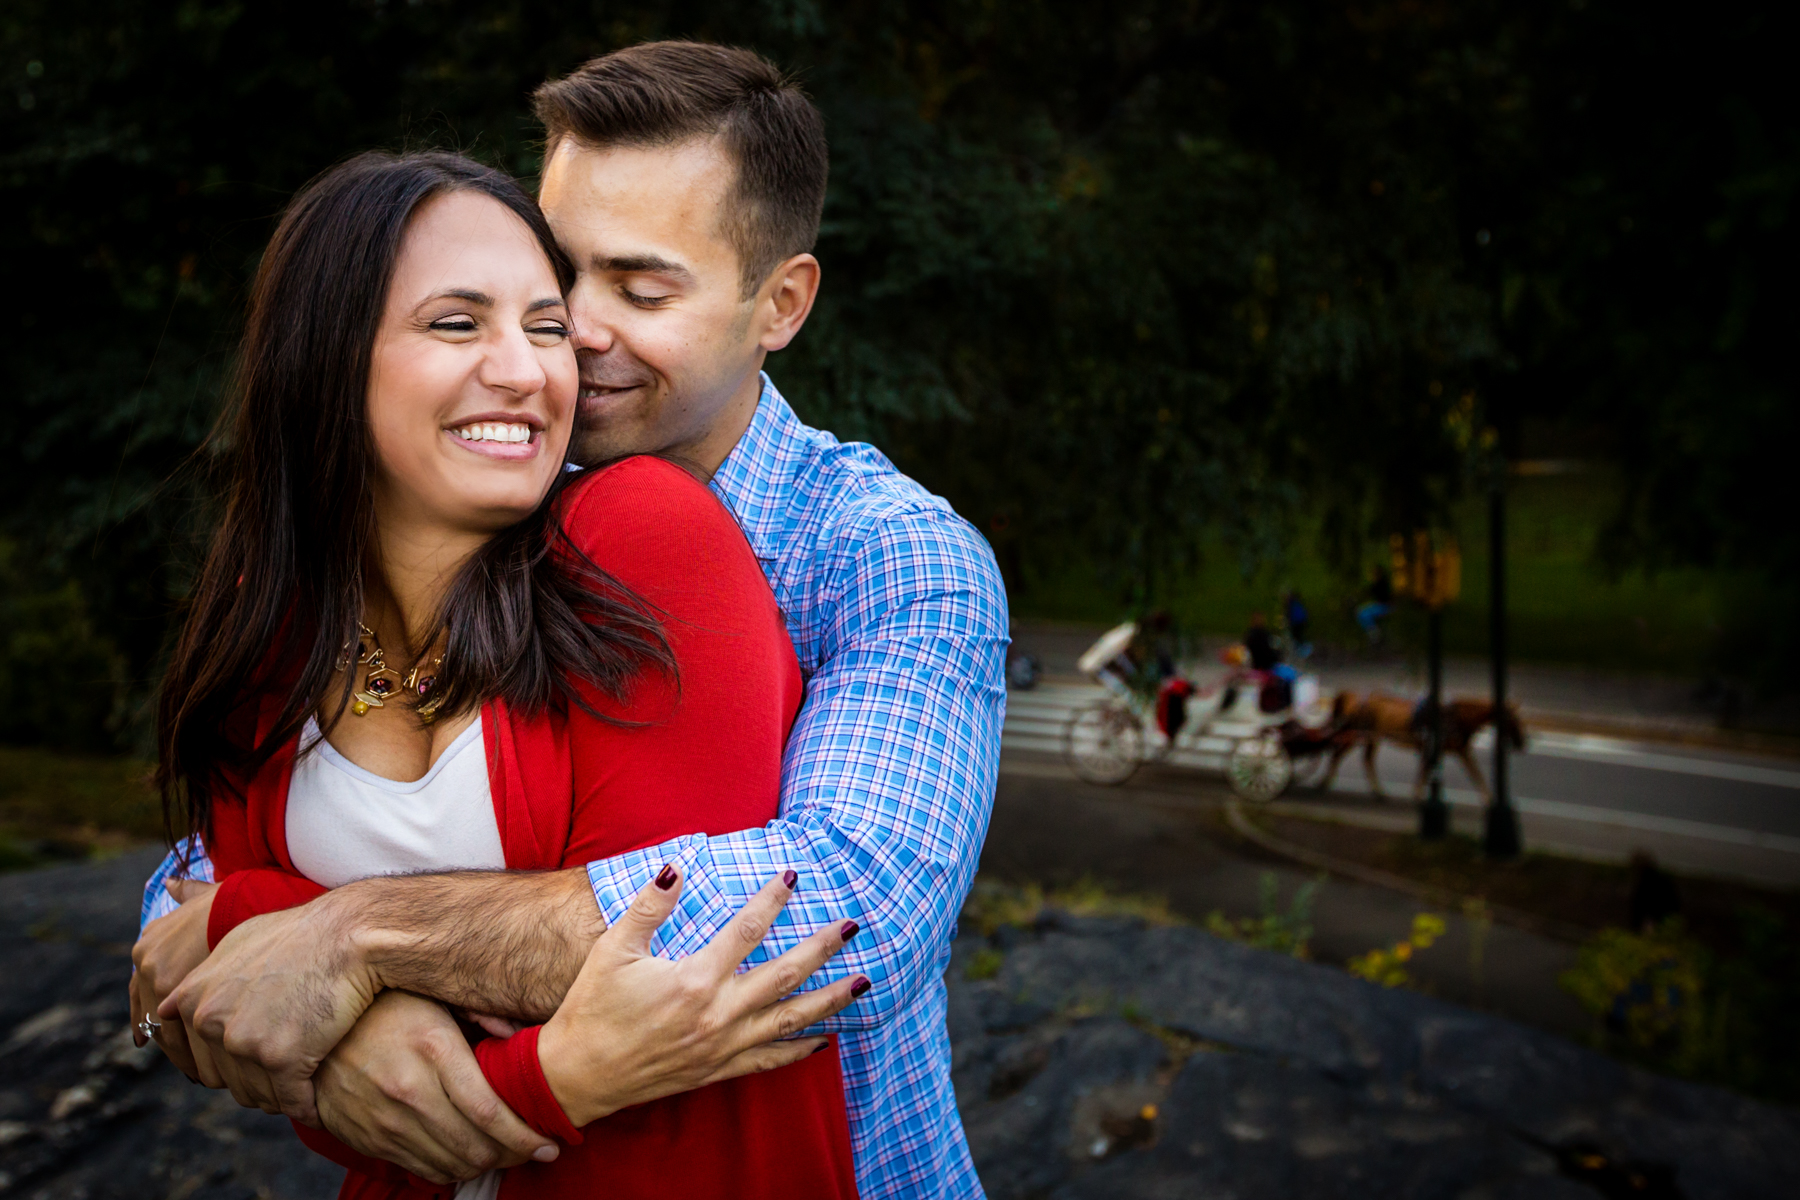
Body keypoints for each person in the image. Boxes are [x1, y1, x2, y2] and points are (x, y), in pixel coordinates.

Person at [132, 41, 1008, 1199]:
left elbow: (849, 917)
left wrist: (354, 944)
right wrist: (341, 1044)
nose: (567, 336)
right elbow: (193, 894)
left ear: (780, 302)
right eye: (556, 279)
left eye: (641, 291)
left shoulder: (887, 552)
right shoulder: (468, 498)